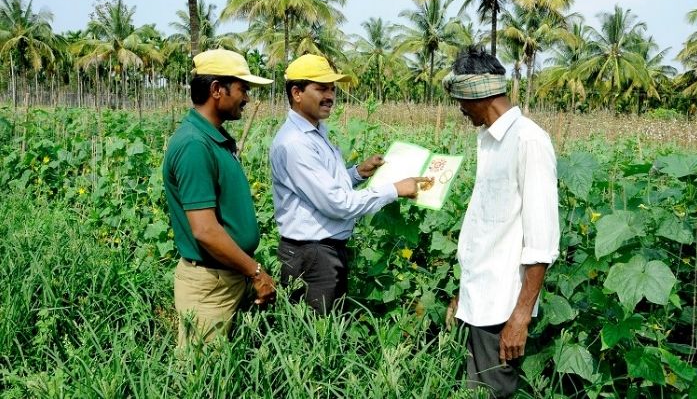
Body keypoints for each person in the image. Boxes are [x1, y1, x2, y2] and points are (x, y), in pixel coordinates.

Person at [270, 54, 429, 315]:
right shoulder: (296, 143)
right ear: (296, 93)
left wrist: (357, 173)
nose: (330, 95)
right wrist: (395, 189)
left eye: (332, 88)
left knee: (327, 333)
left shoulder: (315, 132)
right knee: (318, 338)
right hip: (312, 256)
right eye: (321, 88)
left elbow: (321, 187)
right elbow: (338, 204)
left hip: (320, 252)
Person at [442, 45, 560, 398]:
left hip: (501, 309)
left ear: (475, 95)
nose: (460, 110)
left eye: (460, 101)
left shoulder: (528, 141)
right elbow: (487, 232)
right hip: (477, 301)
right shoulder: (490, 140)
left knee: (494, 392)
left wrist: (520, 317)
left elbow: (541, 242)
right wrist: (462, 295)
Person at [163, 49, 276, 348]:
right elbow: (205, 230)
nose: (247, 98)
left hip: (227, 277)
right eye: (243, 89)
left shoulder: (213, 138)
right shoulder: (194, 145)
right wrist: (255, 270)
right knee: (202, 380)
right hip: (210, 288)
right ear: (216, 90)